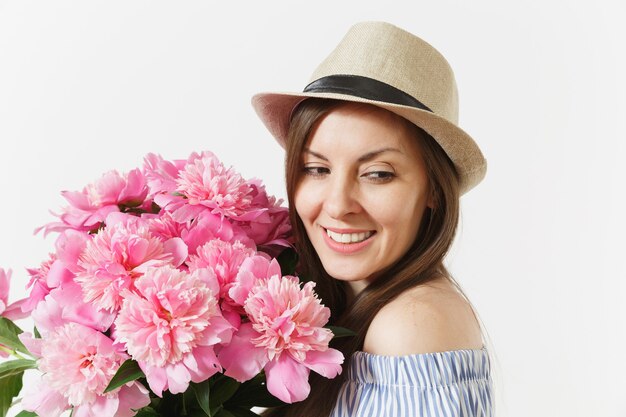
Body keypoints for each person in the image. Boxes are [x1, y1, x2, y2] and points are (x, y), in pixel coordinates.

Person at [252, 21, 493, 417]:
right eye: (316, 169)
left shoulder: (412, 325)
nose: (338, 204)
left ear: (433, 189)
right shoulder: (333, 307)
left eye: (378, 174)